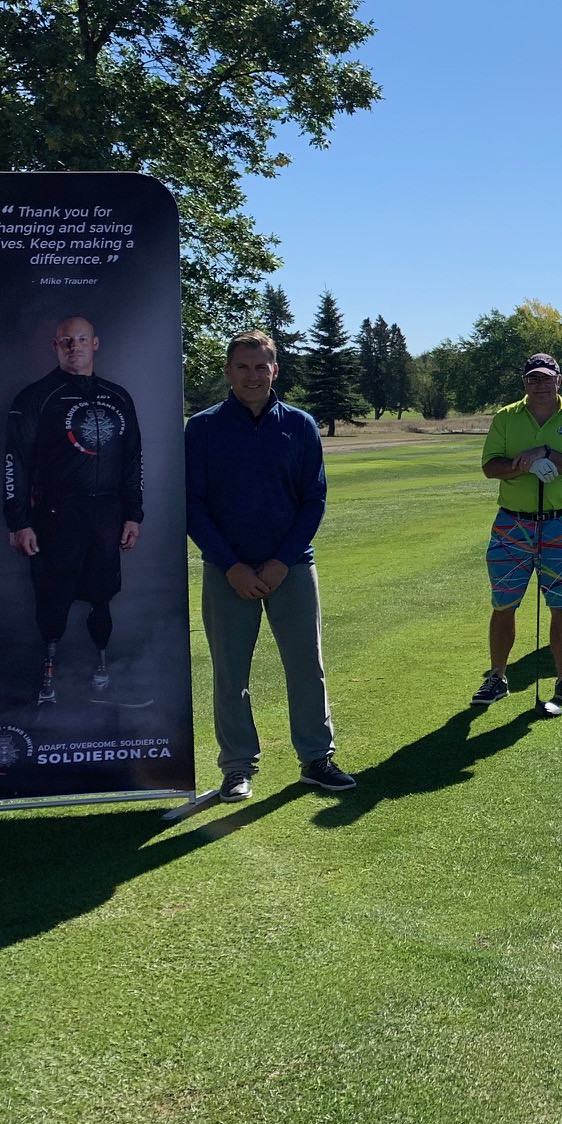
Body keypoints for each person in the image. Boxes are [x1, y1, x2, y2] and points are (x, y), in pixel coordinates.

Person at [185, 330, 354, 801]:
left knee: (306, 667)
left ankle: (316, 760)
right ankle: (237, 767)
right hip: (227, 572)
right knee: (230, 672)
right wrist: (232, 566)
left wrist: (282, 562)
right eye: (243, 367)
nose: (253, 375)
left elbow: (313, 500)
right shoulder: (202, 428)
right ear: (228, 372)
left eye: (262, 367)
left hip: (292, 568)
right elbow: (193, 506)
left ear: (275, 370)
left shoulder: (299, 425)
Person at [4, 315, 143, 705]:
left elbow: (133, 459)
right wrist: (19, 521)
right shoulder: (36, 397)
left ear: (95, 344)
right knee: (53, 595)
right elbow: (14, 460)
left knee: (102, 594)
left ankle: (102, 671)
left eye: (81, 339)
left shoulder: (118, 396)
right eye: (66, 340)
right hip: (55, 514)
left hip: (106, 515)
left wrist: (134, 513)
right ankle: (48, 678)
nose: (74, 346)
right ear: (55, 345)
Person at [472, 353, 562, 711]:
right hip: (512, 524)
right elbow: (489, 466)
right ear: (524, 383)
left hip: (559, 522)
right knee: (504, 603)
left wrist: (548, 453)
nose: (539, 385)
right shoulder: (507, 418)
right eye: (533, 379)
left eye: (546, 378)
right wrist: (521, 466)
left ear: (559, 380)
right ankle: (497, 676)